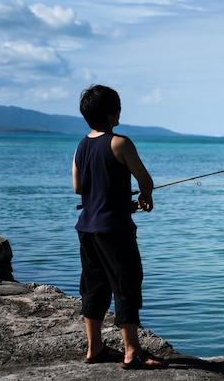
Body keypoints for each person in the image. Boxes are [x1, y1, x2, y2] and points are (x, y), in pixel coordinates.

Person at [72, 84, 168, 370]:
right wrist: (145, 196)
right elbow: (145, 179)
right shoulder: (120, 143)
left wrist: (119, 199)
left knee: (94, 286)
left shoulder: (81, 145)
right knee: (126, 285)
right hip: (115, 230)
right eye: (118, 109)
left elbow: (79, 187)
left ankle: (95, 347)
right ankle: (131, 352)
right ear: (112, 113)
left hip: (87, 228)